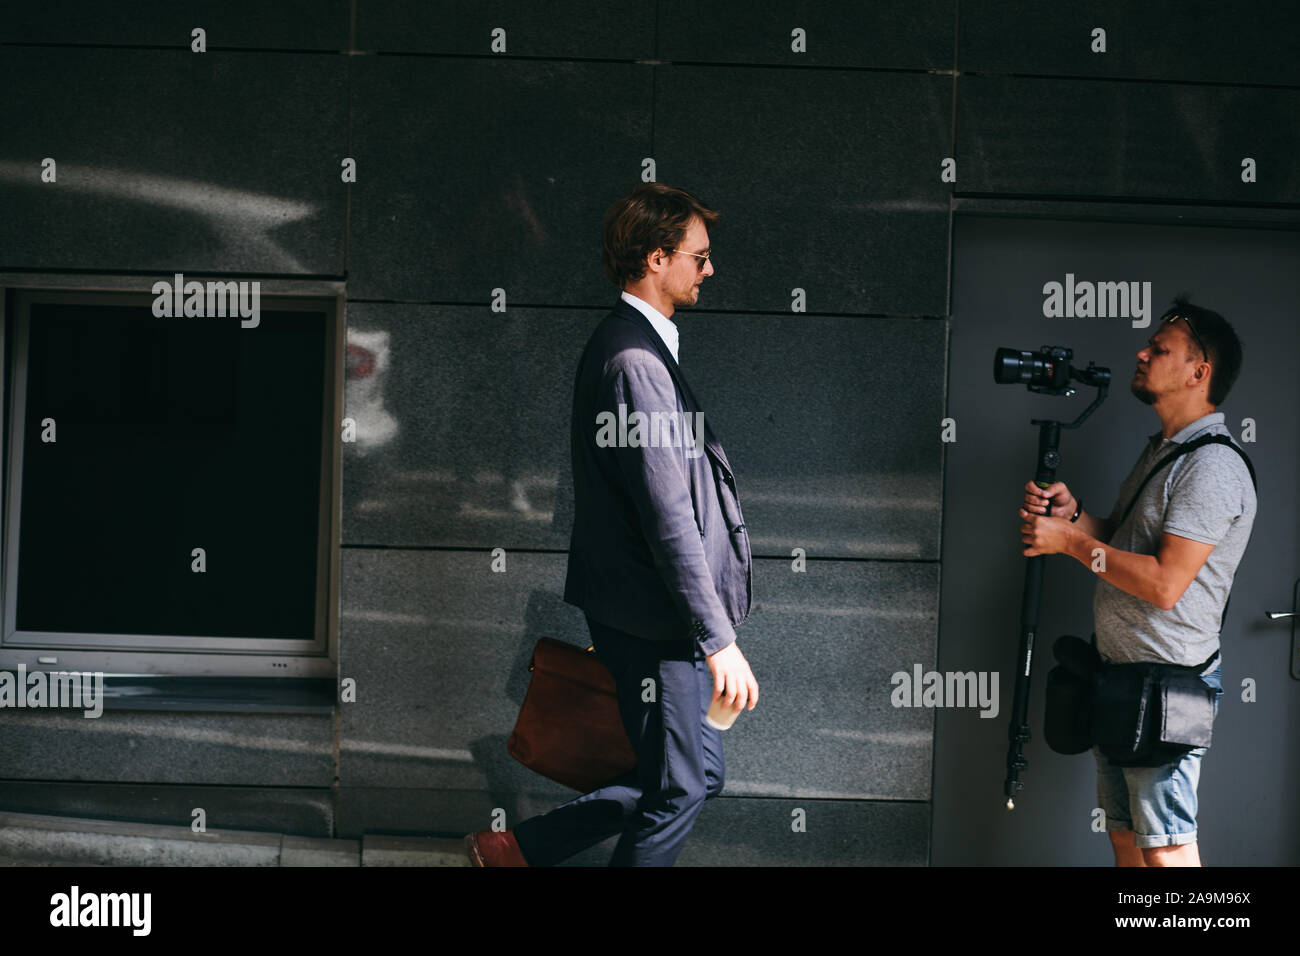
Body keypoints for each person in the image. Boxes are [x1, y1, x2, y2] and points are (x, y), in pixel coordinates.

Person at [465, 182, 758, 866]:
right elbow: (668, 517)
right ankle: (517, 850)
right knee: (682, 786)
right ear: (657, 259)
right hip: (657, 621)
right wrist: (717, 639)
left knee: (693, 777)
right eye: (699, 256)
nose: (709, 270)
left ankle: (516, 850)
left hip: (650, 613)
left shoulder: (635, 348)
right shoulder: (634, 362)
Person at [1018, 296, 1255, 867]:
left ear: (1200, 373)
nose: (1142, 352)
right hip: (1122, 678)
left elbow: (1164, 584)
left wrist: (1071, 544)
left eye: (1160, 348)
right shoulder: (1167, 452)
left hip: (1167, 688)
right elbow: (1125, 539)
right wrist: (1075, 518)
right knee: (1128, 841)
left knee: (1167, 849)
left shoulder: (1212, 467)